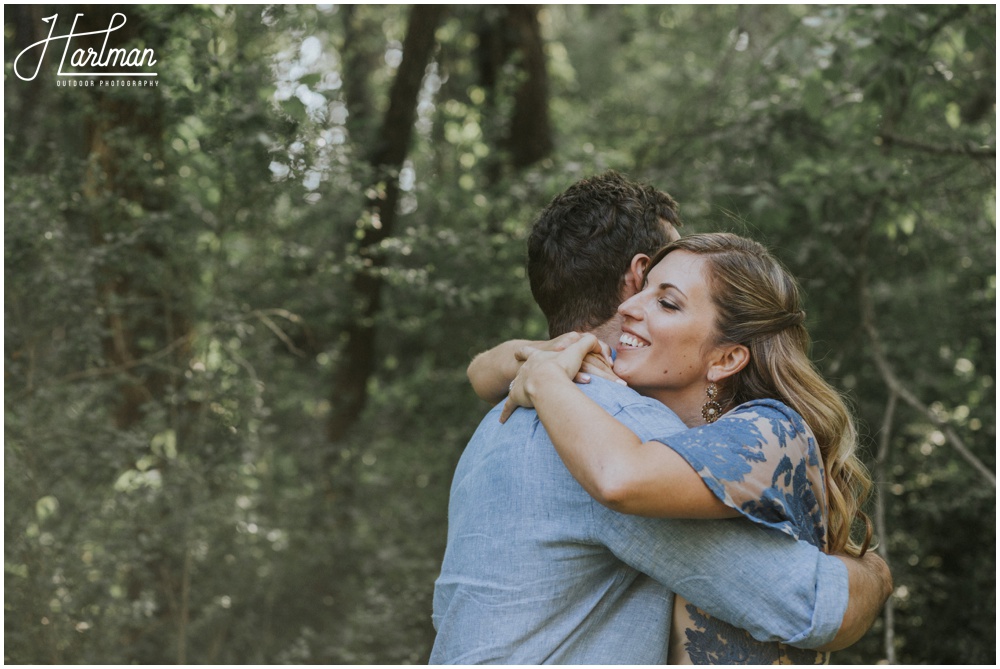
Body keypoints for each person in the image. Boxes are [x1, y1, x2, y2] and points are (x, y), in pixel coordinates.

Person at [430, 172, 890, 664]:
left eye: (667, 300)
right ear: (636, 273)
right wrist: (878, 575)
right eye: (653, 285)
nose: (635, 307)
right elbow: (808, 606)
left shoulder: (501, 419)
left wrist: (536, 370)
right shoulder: (618, 427)